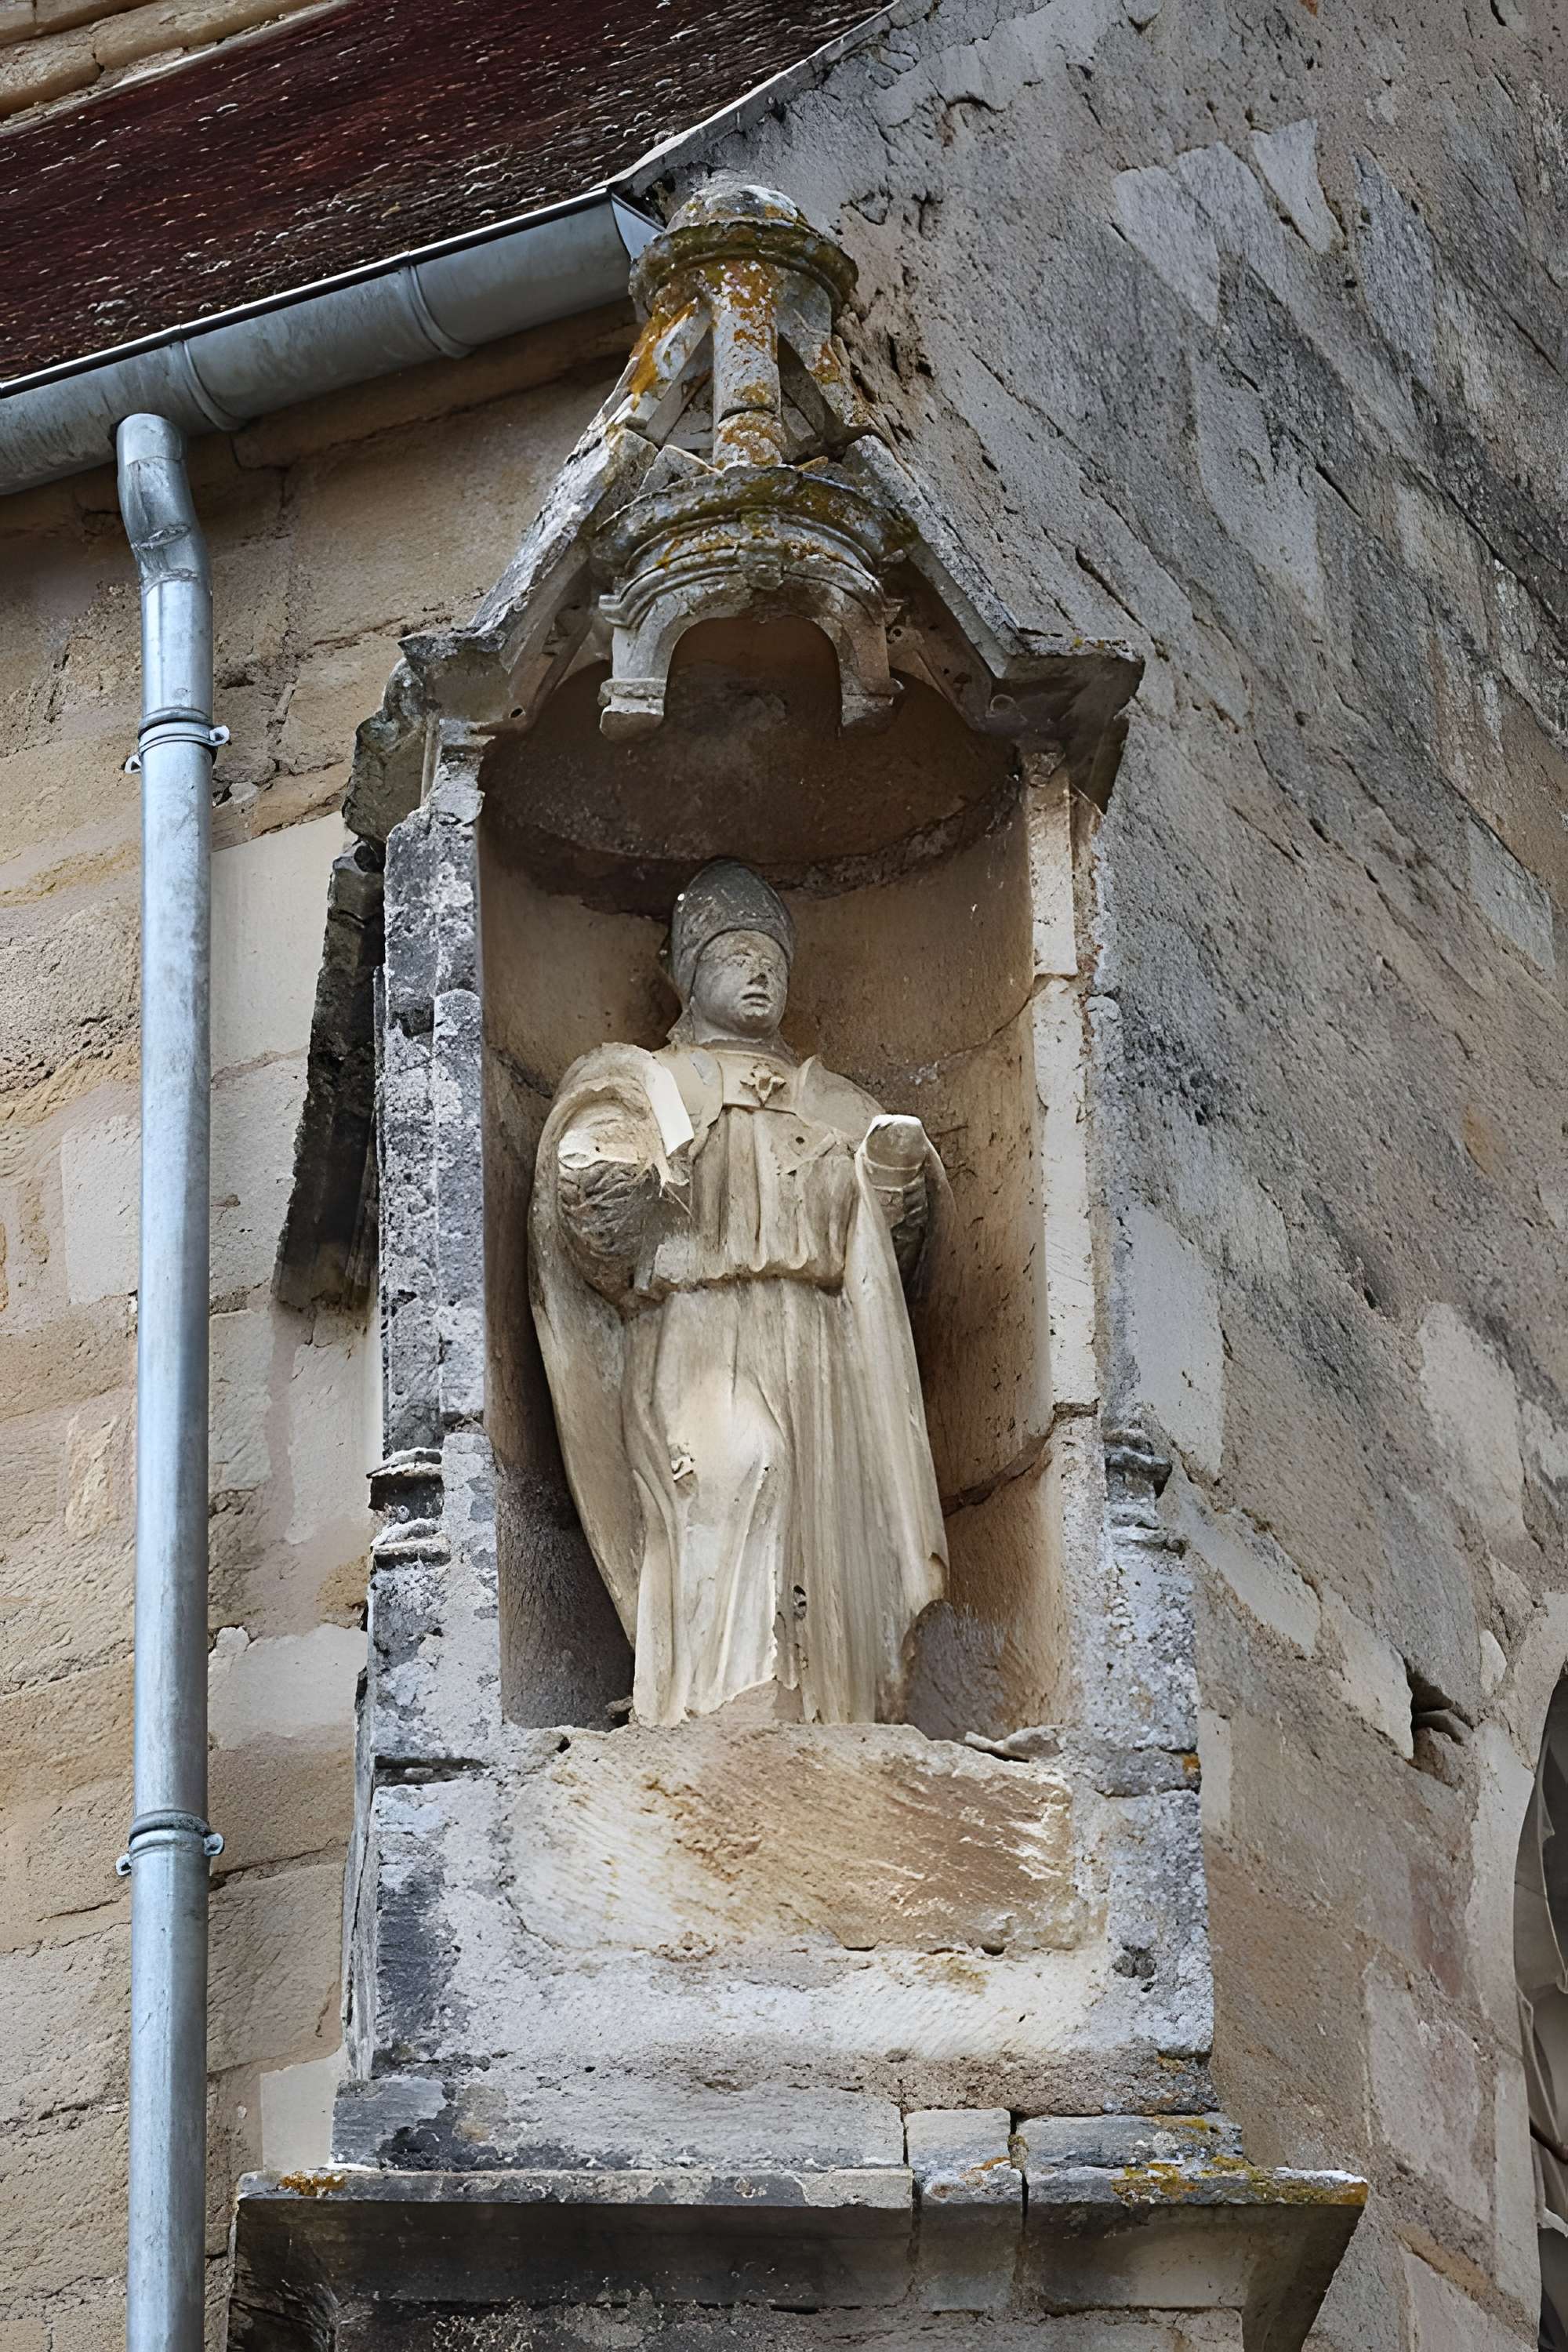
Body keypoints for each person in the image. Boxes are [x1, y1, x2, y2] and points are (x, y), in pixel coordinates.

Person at [530, 860, 948, 1726]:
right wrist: (611, 1181)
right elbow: (595, 1241)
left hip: (820, 1341)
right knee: (740, 1467)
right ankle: (713, 1711)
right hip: (695, 1331)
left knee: (821, 1517)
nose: (758, 972)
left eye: (770, 958)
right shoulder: (641, 1086)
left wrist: (891, 1183)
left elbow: (888, 1263)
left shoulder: (836, 1103)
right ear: (688, 974)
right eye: (732, 955)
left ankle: (828, 1714)